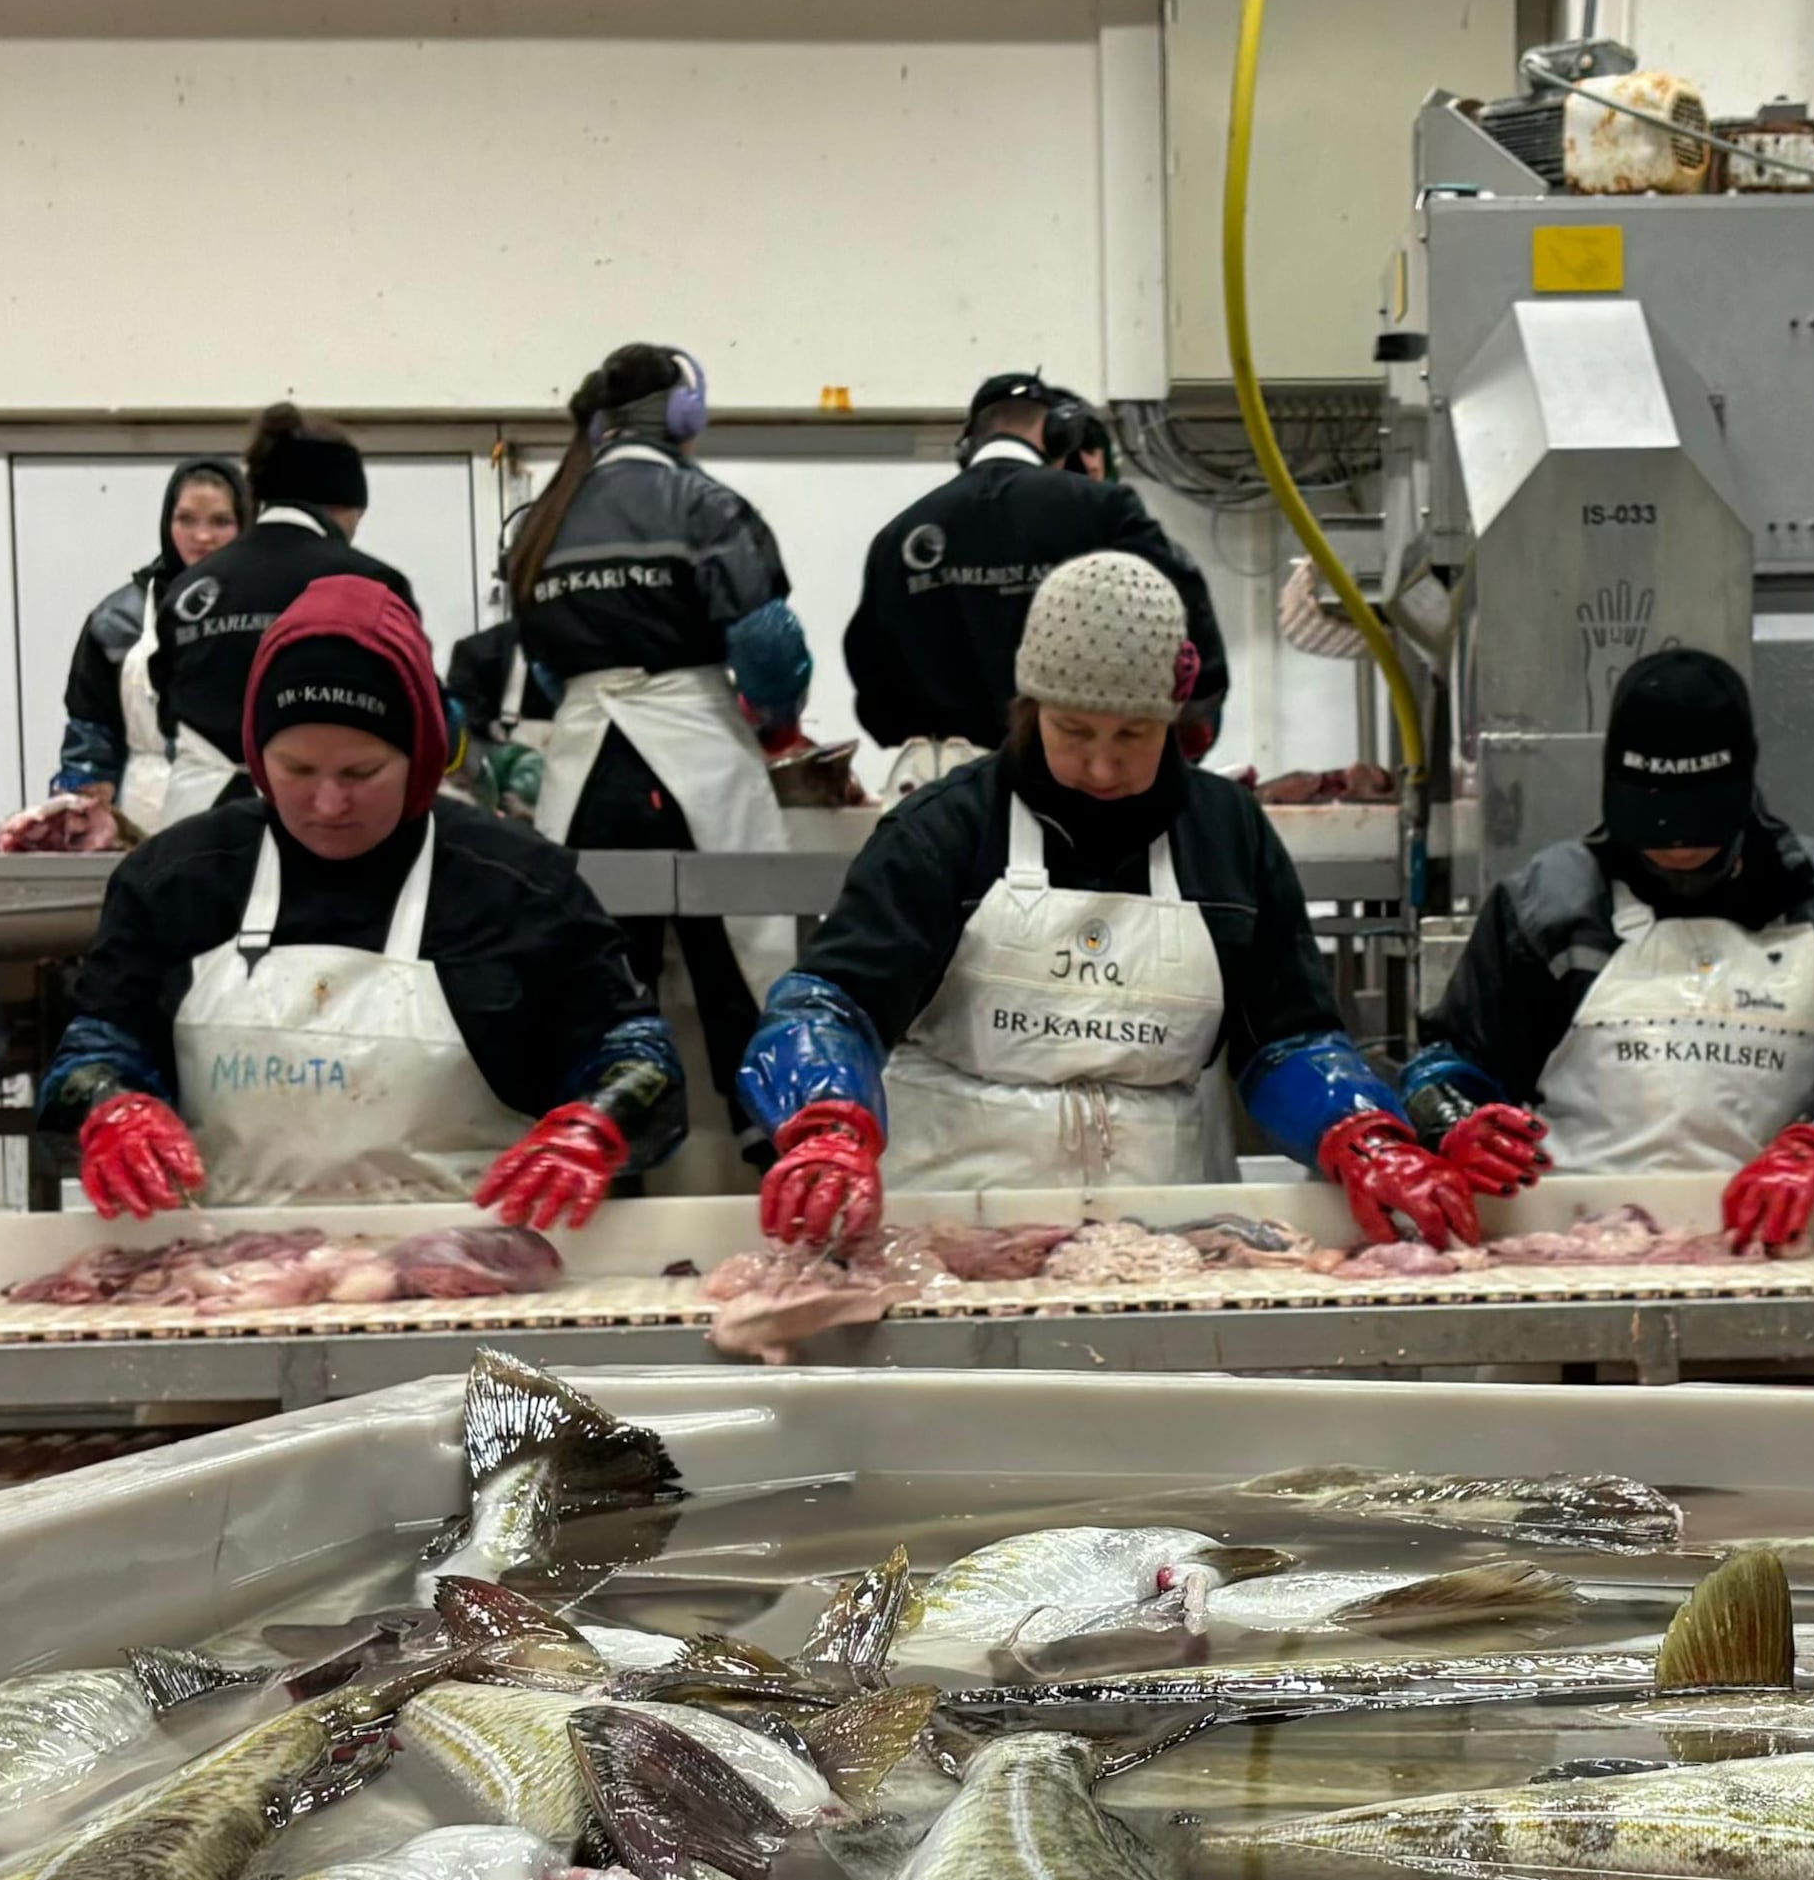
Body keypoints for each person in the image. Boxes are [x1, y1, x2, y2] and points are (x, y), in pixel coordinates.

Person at [738, 551, 1469, 1248]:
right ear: (1031, 707)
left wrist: (1361, 1131)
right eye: (1074, 730)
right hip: (956, 1231)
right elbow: (831, 1005)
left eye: (1134, 734)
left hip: (1173, 1232)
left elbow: (1286, 1039)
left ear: (1176, 720)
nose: (1101, 763)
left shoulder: (1224, 832)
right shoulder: (948, 828)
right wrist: (827, 1123)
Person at [37, 580, 681, 1222]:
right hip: (228, 1278)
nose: (327, 805)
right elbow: (95, 1051)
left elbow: (633, 1052)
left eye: (361, 773)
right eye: (295, 769)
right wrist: (107, 1107)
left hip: (470, 1282)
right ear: (258, 759)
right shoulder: (177, 880)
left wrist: (596, 1127)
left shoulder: (517, 884)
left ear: (421, 757)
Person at [1398, 647, 1814, 1252]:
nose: (1677, 845)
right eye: (1654, 819)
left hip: (1784, 1258)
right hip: (1580, 1257)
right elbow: (1446, 1062)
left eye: (1701, 820)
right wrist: (1453, 1119)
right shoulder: (1548, 906)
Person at [498, 345, 806, 1133]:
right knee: (744, 971)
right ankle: (776, 1155)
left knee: (601, 990)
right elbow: (767, 639)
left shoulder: (541, 521)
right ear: (682, 416)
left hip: (586, 774)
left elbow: (541, 677)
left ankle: (611, 1160)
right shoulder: (701, 503)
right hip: (695, 762)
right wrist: (774, 721)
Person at [846, 374, 1228, 792]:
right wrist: (1186, 726)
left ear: (967, 445)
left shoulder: (898, 538)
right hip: (1079, 788)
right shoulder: (1102, 509)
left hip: (943, 794)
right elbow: (1182, 614)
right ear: (1059, 435)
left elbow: (875, 688)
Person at [153, 403, 414, 774]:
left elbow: (166, 712)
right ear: (344, 505)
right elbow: (413, 708)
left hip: (198, 810)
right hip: (320, 806)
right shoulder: (370, 583)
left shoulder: (187, 590)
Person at [52, 454, 250, 840]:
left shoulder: (270, 609)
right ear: (167, 522)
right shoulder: (116, 619)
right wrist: (81, 814)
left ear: (245, 524)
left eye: (220, 521)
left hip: (251, 811)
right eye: (187, 519)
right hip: (147, 818)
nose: (203, 536)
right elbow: (91, 739)